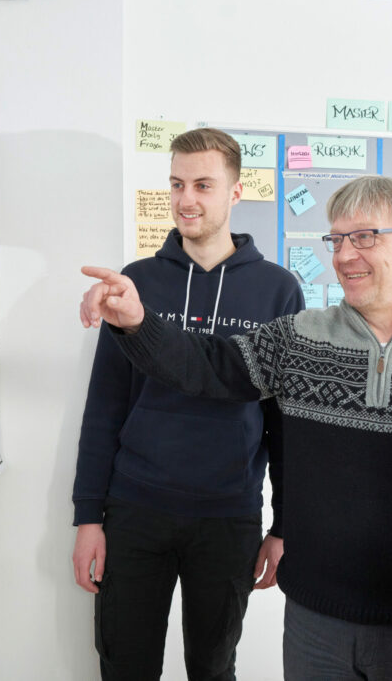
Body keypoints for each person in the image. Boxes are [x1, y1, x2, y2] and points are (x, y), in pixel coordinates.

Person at [80, 176, 392, 680]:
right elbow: (206, 366)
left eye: (365, 236)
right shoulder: (299, 339)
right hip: (314, 620)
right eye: (337, 239)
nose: (345, 255)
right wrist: (136, 320)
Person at [71, 128, 304, 681]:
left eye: (203, 184)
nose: (186, 199)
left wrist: (283, 524)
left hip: (228, 517)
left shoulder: (277, 290)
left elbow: (285, 422)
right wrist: (88, 516)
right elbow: (105, 406)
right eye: (177, 184)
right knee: (124, 666)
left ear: (235, 192)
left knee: (213, 668)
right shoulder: (137, 282)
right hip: (135, 510)